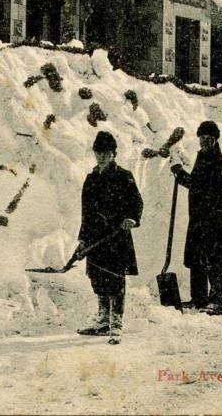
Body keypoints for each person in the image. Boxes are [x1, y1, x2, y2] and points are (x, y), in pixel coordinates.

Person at [75, 131, 143, 338]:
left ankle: (116, 322)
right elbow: (85, 212)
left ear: (114, 153)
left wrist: (132, 218)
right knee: (98, 278)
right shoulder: (91, 179)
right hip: (96, 238)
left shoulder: (124, 176)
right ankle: (103, 319)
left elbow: (136, 202)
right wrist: (83, 239)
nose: (101, 156)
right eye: (98, 152)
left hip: (116, 235)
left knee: (115, 277)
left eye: (106, 152)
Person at [170, 121, 222, 316]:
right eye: (202, 138)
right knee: (196, 259)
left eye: (209, 138)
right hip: (198, 218)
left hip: (215, 219)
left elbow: (202, 188)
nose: (205, 142)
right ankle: (198, 299)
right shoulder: (202, 158)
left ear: (216, 139)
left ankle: (216, 302)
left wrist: (180, 174)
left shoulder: (219, 162)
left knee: (215, 261)